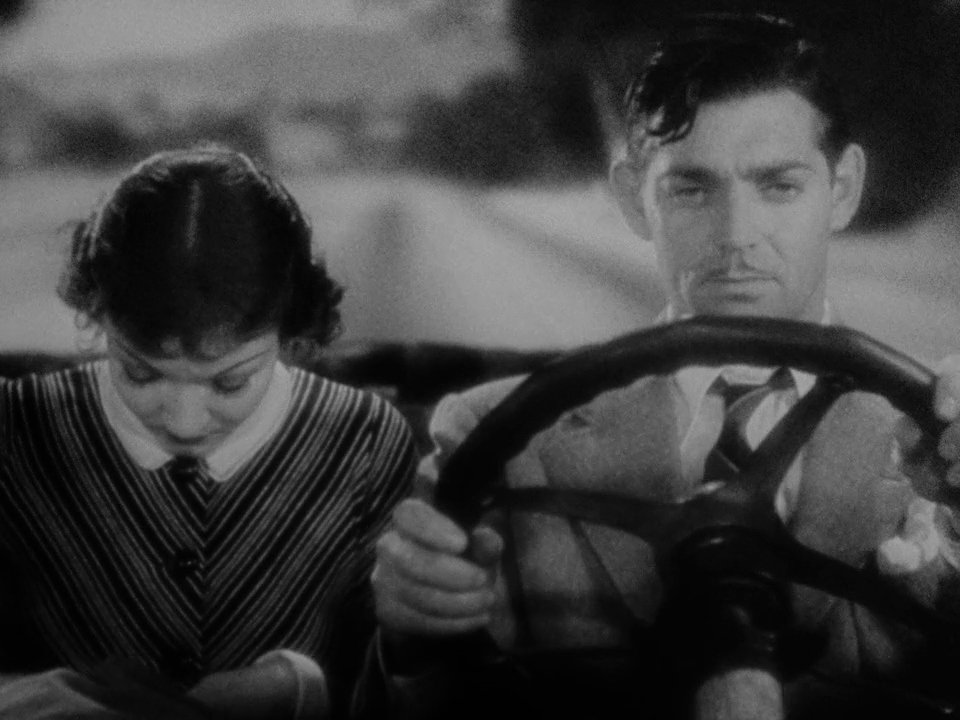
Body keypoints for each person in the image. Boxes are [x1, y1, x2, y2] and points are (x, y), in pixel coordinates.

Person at [363, 13, 960, 720]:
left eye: (778, 186)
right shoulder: (496, 438)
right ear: (632, 198)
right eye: (691, 189)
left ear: (844, 187)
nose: (736, 236)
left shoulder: (937, 430)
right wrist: (412, 636)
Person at [0, 145, 417, 719]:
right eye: (140, 373)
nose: (184, 423)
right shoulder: (17, 431)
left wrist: (299, 685)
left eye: (230, 382)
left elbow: (398, 672)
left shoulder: (365, 442)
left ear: (290, 327)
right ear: (97, 312)